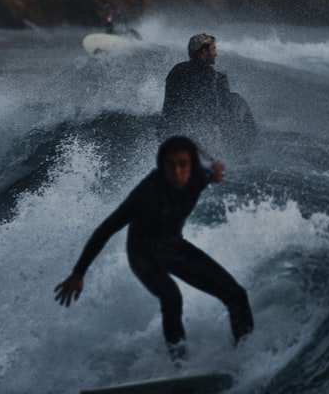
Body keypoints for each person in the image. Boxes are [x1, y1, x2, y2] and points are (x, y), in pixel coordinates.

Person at [53, 136, 253, 360]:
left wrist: (214, 173)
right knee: (172, 298)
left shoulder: (199, 177)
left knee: (236, 295)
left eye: (183, 164)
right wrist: (79, 273)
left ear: (192, 166)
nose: (177, 172)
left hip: (175, 248)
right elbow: (106, 229)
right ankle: (180, 364)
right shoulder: (145, 194)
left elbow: (209, 170)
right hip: (143, 254)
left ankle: (245, 352)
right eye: (170, 165)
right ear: (161, 166)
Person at [157, 34, 255, 156]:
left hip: (166, 130)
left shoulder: (176, 69)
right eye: (213, 49)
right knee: (236, 99)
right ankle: (245, 150)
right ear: (204, 51)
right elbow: (211, 103)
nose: (216, 53)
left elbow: (172, 103)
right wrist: (215, 128)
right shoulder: (208, 74)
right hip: (191, 134)